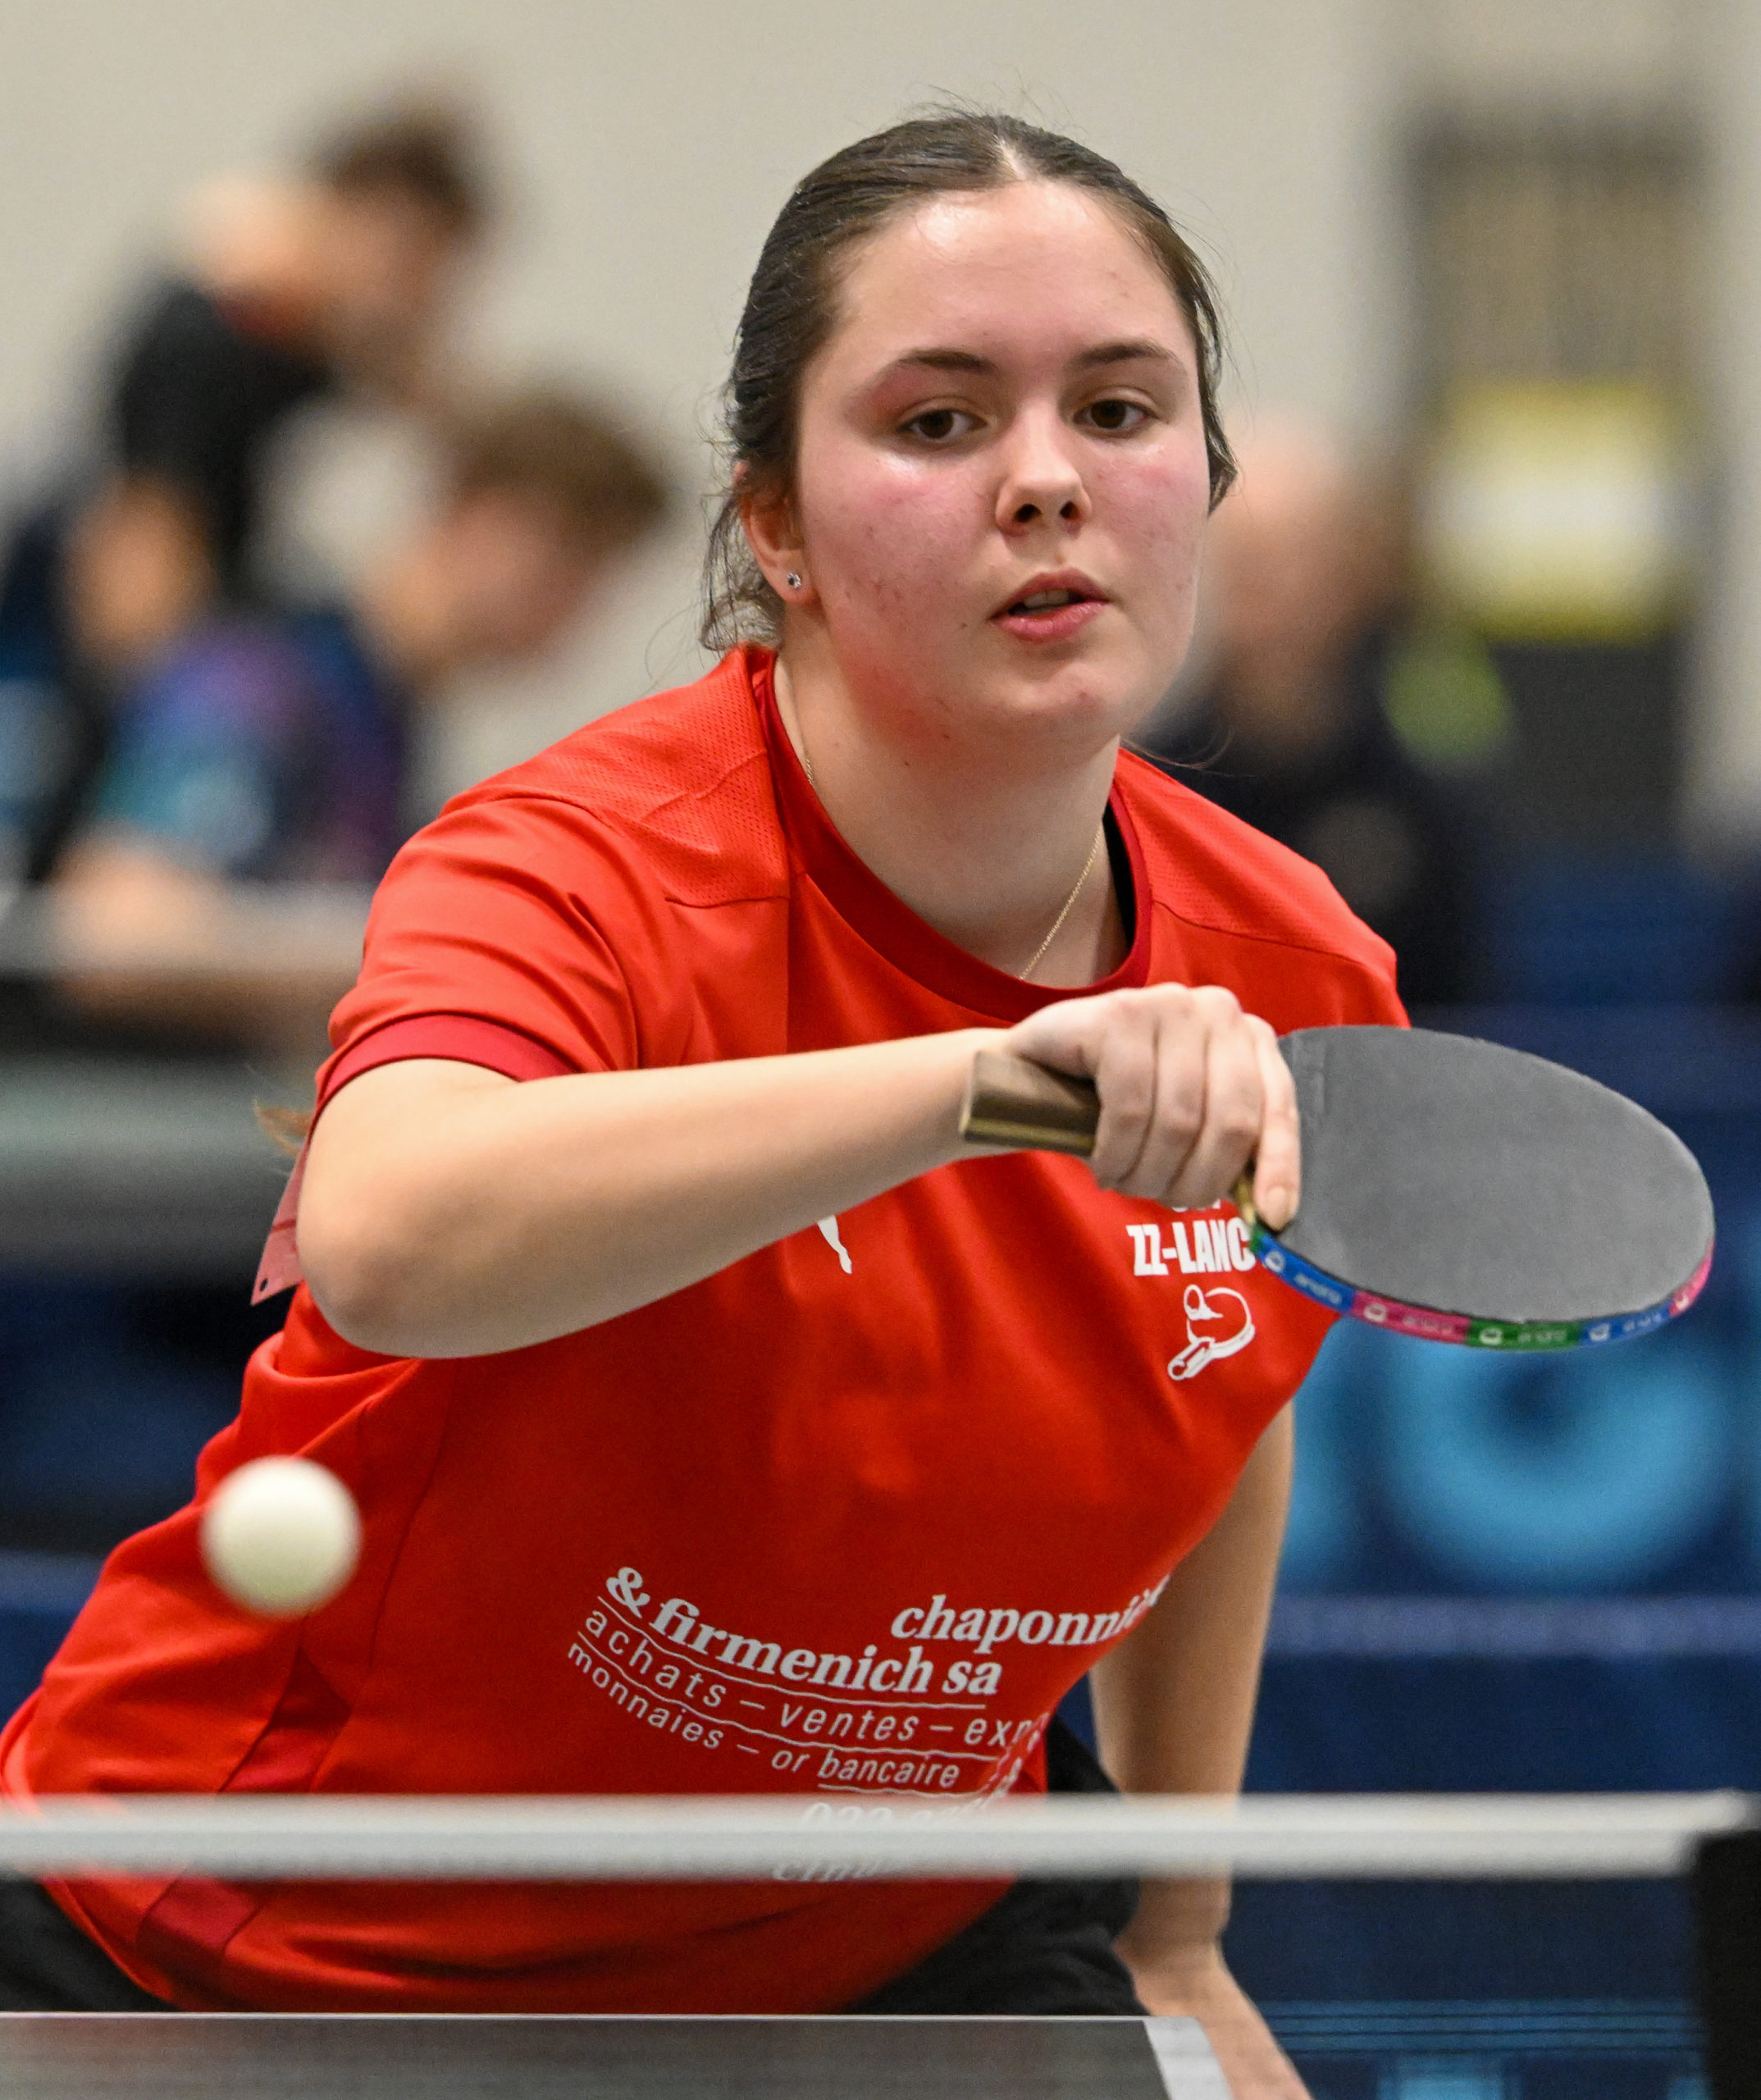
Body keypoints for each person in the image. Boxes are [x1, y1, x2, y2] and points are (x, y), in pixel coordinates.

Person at [0, 112, 1401, 2098]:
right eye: (935, 421)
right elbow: (388, 1235)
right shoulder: (569, 866)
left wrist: (1175, 1919)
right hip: (280, 1946)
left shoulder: (1294, 958)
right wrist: (984, 1085)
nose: (1043, 480)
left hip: (898, 1947)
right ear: (777, 528)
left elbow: (1222, 1376)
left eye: (1116, 409)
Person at [50, 389, 668, 1054]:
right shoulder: (265, 679)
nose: (586, 611)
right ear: (484, 517)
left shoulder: (392, 716)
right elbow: (113, 936)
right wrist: (419, 952)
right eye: (580, 563)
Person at [0, 101, 493, 883]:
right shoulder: (210, 341)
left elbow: (432, 394)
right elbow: (135, 579)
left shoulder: (302, 335)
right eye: (411, 262)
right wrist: (197, 726)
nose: (420, 296)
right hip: (86, 652)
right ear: (336, 217)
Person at [1143, 422, 1475, 1007]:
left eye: (1291, 560)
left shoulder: (1425, 794)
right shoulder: (1148, 791)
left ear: (1353, 577)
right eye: (1243, 562)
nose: (1262, 590)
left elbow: (1464, 1000)